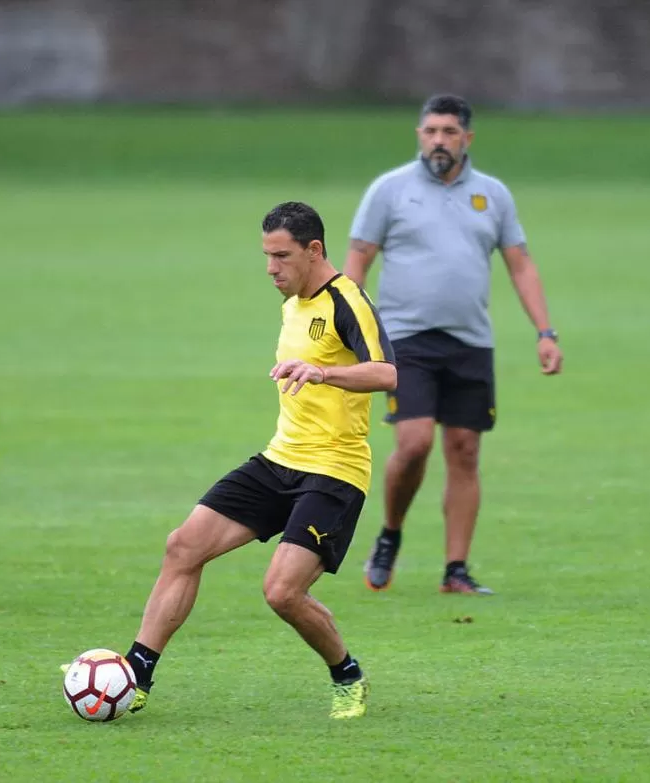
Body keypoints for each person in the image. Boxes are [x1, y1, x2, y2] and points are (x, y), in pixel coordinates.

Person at [79, 202, 396, 720]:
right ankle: (137, 675)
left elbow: (386, 374)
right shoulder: (293, 303)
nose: (271, 267)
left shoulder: (347, 301)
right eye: (266, 256)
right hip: (279, 460)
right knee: (183, 546)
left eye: (281, 256)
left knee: (282, 592)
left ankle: (347, 674)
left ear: (314, 250)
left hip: (334, 472)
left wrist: (321, 373)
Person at [345, 94, 563, 595]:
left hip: (470, 340)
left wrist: (545, 332)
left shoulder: (493, 195)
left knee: (464, 451)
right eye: (429, 131)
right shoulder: (390, 190)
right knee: (415, 442)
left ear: (467, 137)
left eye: (448, 131)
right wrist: (356, 329)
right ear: (419, 135)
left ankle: (455, 571)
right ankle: (390, 534)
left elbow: (521, 264)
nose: (438, 140)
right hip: (405, 338)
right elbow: (357, 260)